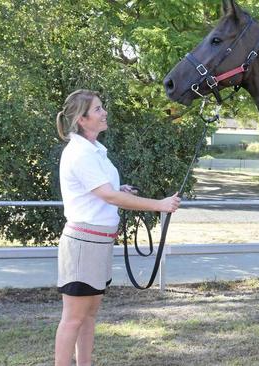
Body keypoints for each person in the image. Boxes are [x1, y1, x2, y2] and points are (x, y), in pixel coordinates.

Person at [54, 89, 180, 366]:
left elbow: (105, 190)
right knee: (73, 318)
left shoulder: (96, 151)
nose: (104, 113)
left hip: (97, 243)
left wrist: (119, 189)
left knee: (88, 316)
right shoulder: (80, 153)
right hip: (83, 245)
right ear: (82, 119)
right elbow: (108, 196)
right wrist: (159, 204)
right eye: (98, 109)